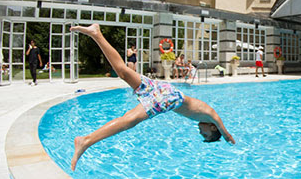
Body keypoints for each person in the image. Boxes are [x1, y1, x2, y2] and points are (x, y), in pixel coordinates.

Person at [69, 24, 235, 171]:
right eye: (205, 135)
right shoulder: (212, 116)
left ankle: (96, 34)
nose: (201, 133)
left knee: (123, 72)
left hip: (166, 91)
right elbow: (224, 131)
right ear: (213, 128)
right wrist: (230, 140)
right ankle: (85, 141)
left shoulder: (204, 116)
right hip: (169, 98)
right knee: (129, 120)